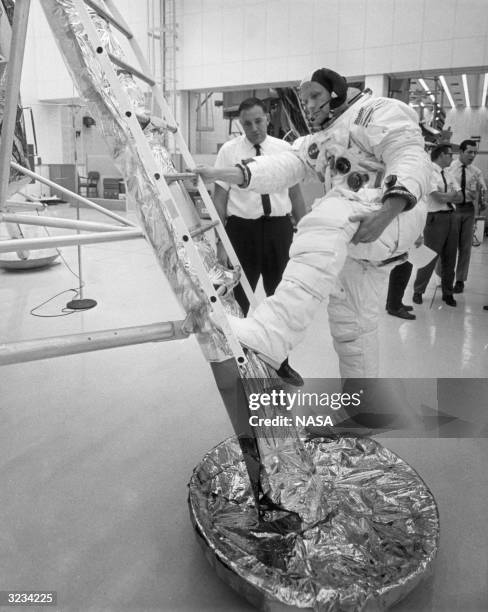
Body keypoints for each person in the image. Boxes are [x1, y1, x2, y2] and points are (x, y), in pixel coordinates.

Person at [195, 67, 431, 379]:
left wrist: (389, 211)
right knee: (353, 330)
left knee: (326, 212)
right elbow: (282, 167)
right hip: (360, 236)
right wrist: (221, 173)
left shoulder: (376, 111)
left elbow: (409, 155)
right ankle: (361, 410)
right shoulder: (318, 140)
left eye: (315, 96)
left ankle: (273, 333)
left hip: (390, 214)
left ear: (337, 92)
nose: (308, 104)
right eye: (304, 99)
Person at [213, 97, 307, 385]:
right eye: (247, 124)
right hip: (242, 232)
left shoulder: (283, 150)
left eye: (258, 121)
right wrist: (220, 241)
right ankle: (240, 366)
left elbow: (295, 194)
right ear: (240, 125)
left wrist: (303, 232)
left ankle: (281, 363)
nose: (253, 128)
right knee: (238, 299)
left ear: (267, 117)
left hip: (280, 230)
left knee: (282, 300)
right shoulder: (229, 151)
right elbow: (220, 197)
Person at [412, 143, 462, 307]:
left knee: (450, 257)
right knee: (429, 256)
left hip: (451, 218)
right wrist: (450, 195)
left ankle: (448, 293)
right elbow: (437, 198)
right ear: (441, 155)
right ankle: (418, 291)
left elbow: (460, 197)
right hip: (435, 220)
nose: (452, 158)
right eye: (450, 155)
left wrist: (448, 195)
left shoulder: (448, 174)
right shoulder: (429, 173)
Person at [449, 140, 487, 293]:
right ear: (461, 152)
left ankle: (460, 280)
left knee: (465, 248)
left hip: (468, 211)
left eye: (475, 152)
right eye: (469, 152)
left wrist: (483, 198)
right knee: (449, 247)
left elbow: (483, 187)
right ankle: (443, 277)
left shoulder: (476, 171)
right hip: (452, 209)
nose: (472, 155)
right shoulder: (449, 169)